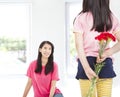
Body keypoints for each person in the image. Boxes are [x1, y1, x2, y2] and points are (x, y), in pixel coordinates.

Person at [73, 0, 120, 97]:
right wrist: (107, 53)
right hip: (105, 62)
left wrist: (86, 68)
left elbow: (79, 46)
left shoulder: (80, 18)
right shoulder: (111, 18)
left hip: (86, 61)